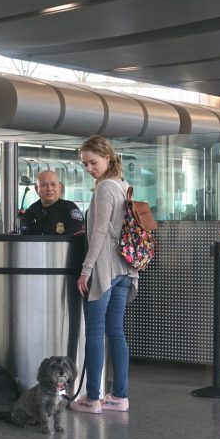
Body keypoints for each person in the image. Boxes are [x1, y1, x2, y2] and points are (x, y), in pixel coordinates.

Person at [69, 136, 137, 415]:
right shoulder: (123, 186)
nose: (89, 168)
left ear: (108, 158)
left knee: (95, 333)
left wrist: (86, 269)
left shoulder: (105, 188)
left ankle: (92, 398)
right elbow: (111, 227)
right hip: (125, 269)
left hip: (105, 269)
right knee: (116, 333)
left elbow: (99, 233)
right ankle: (119, 397)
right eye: (85, 164)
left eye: (93, 162)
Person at [20, 170, 84, 235]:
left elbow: (76, 235)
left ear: (59, 187)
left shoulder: (69, 208)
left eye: (53, 184)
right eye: (44, 185)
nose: (49, 188)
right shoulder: (31, 211)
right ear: (36, 189)